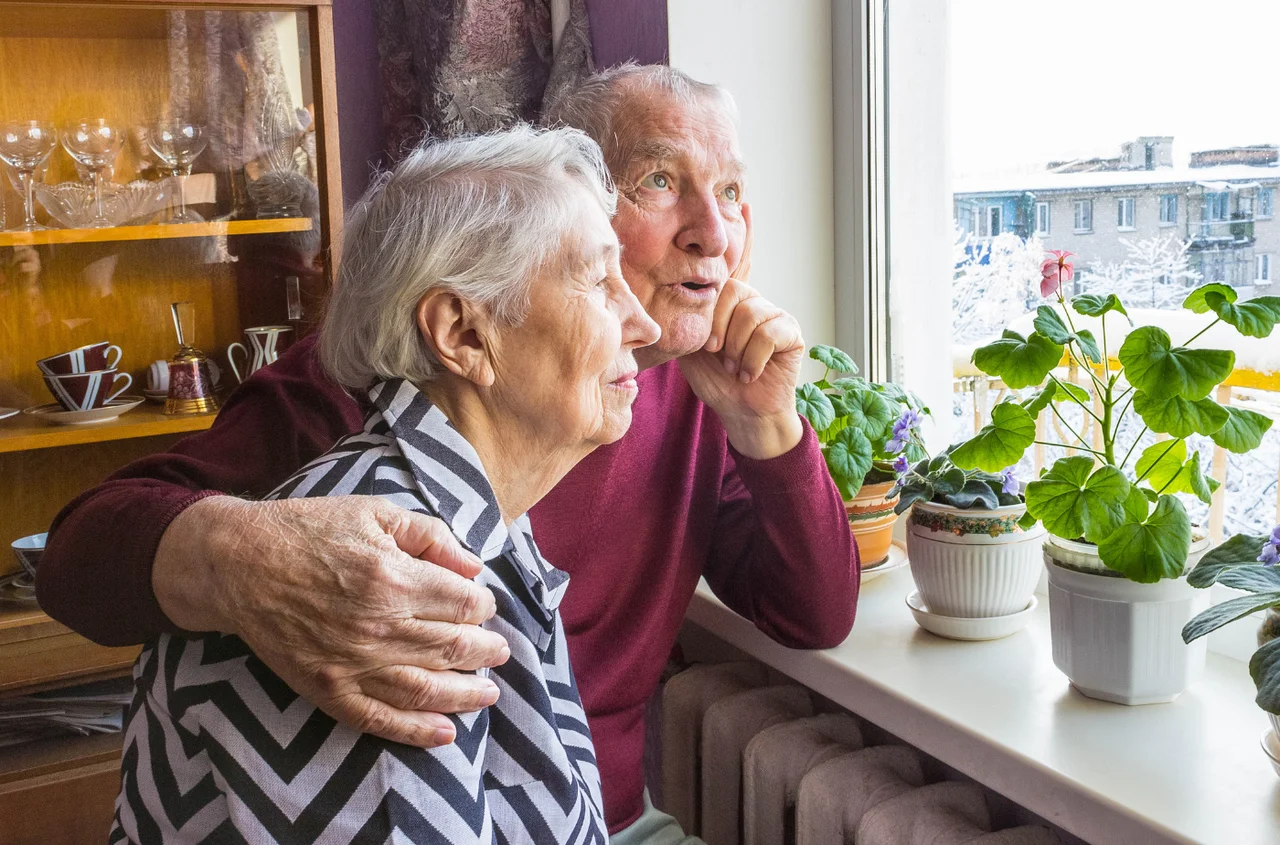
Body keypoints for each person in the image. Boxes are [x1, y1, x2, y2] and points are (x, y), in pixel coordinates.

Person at [41, 65, 858, 842]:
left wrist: (766, 425)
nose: (714, 233)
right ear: (570, 205)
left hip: (602, 815)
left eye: (732, 191)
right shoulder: (371, 385)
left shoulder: (685, 389)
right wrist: (244, 558)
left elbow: (811, 612)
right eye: (659, 180)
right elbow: (78, 552)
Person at [111, 125, 658, 843]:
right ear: (463, 334)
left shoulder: (470, 508)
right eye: (597, 280)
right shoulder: (378, 575)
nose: (643, 324)